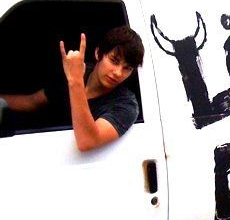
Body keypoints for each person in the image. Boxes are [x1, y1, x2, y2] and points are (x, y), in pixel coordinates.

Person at [0, 26, 144, 151]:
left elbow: (87, 141)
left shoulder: (126, 105)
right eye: (114, 61)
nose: (118, 72)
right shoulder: (78, 71)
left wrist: (75, 81)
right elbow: (32, 102)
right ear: (98, 53)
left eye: (127, 68)